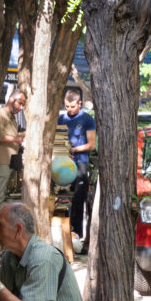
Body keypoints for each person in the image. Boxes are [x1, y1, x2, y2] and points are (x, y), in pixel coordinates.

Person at [58, 89, 96, 248]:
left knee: (79, 201)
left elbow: (91, 144)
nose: (69, 109)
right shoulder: (61, 118)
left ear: (79, 103)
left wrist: (74, 150)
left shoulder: (87, 119)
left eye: (72, 106)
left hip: (80, 163)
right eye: (66, 106)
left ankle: (77, 235)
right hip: (62, 164)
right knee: (62, 199)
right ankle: (62, 234)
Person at [0, 90, 27, 211]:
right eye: (20, 103)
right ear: (11, 99)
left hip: (8, 163)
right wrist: (17, 138)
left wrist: (24, 134)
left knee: (5, 198)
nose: (21, 107)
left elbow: (10, 135)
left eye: (23, 105)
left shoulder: (11, 117)